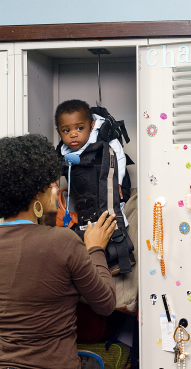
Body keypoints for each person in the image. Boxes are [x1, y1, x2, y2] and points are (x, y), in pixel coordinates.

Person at [0, 134, 117, 369]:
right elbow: (106, 303)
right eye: (51, 183)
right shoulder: (62, 242)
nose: (56, 189)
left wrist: (46, 218)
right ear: (35, 192)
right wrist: (96, 248)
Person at [54, 99, 134, 274]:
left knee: (111, 219)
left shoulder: (103, 136)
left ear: (91, 126)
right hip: (84, 196)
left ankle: (122, 257)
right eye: (66, 131)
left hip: (109, 187)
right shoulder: (63, 150)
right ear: (58, 131)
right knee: (89, 227)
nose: (73, 134)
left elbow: (119, 158)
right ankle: (99, 263)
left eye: (79, 128)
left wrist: (118, 181)